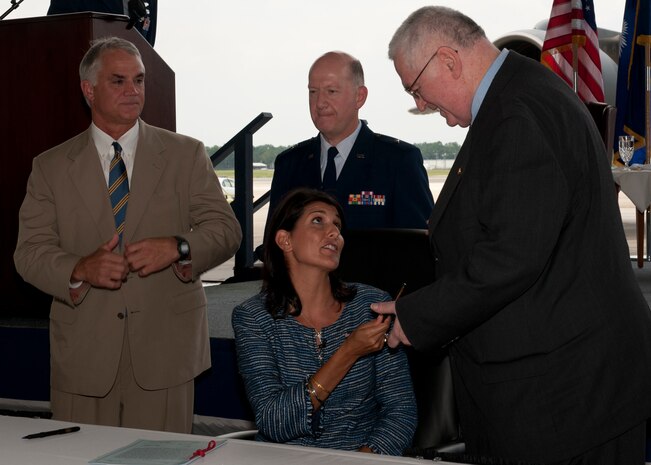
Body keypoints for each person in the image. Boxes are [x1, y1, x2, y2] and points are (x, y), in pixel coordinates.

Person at [372, 6, 651, 465]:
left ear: (448, 60)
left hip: (567, 398)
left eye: (416, 89)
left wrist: (415, 316)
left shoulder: (516, 113)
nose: (419, 105)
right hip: (562, 387)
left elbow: (510, 257)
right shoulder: (519, 96)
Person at [14, 36, 242, 433]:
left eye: (139, 80)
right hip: (84, 355)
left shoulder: (186, 154)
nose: (133, 91)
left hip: (165, 352)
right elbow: (29, 253)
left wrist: (179, 247)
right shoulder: (49, 167)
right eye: (118, 81)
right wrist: (80, 268)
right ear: (89, 89)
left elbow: (226, 230)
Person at [232, 188, 417, 455]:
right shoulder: (254, 318)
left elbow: (401, 412)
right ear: (285, 240)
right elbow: (273, 422)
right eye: (318, 220)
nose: (334, 233)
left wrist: (363, 459)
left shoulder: (373, 305)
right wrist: (348, 351)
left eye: (337, 226)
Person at [266, 51, 434, 232]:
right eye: (313, 92)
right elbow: (273, 244)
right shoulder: (289, 164)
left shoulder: (398, 162)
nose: (320, 102)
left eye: (331, 91)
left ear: (359, 97)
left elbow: (418, 247)